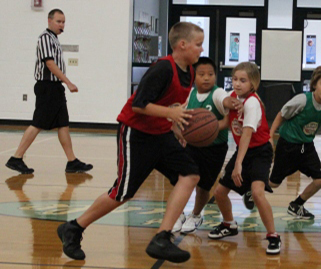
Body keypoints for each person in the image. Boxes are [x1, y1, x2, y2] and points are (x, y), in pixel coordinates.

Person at [56, 22, 204, 263]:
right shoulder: (163, 69)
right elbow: (139, 105)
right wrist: (172, 115)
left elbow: (172, 107)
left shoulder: (190, 71)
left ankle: (162, 238)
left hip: (161, 133)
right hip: (136, 134)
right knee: (123, 193)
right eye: (198, 44)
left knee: (190, 175)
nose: (201, 49)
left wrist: (176, 127)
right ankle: (73, 227)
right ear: (182, 45)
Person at [256, 66, 321, 220]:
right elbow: (281, 114)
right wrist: (270, 134)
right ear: (315, 84)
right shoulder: (302, 100)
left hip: (306, 147)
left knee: (320, 180)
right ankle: (252, 188)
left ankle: (296, 205)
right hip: (288, 145)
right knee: (273, 184)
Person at [5, 9, 92, 174]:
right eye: (59, 21)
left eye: (63, 22)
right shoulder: (45, 38)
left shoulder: (54, 39)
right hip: (47, 87)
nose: (62, 25)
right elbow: (50, 64)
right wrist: (68, 82)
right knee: (38, 123)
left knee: (63, 124)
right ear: (49, 21)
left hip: (55, 88)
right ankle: (16, 158)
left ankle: (72, 161)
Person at [207, 62, 281, 255]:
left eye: (243, 80)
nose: (237, 84)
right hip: (244, 149)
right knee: (219, 193)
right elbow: (226, 122)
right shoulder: (232, 98)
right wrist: (205, 127)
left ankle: (273, 235)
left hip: (259, 152)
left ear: (253, 83)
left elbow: (247, 134)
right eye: (234, 79)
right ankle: (229, 224)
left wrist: (238, 163)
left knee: (257, 193)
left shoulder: (252, 102)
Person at [172, 57, 242, 234]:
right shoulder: (191, 94)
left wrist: (231, 103)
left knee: (203, 186)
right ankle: (177, 214)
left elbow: (226, 104)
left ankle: (196, 214)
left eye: (210, 74)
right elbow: (182, 115)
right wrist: (181, 131)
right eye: (201, 74)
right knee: (183, 179)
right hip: (192, 146)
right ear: (194, 77)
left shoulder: (218, 94)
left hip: (215, 149)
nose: (206, 78)